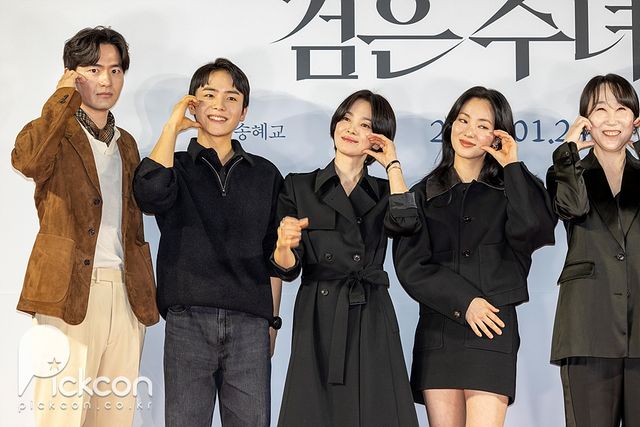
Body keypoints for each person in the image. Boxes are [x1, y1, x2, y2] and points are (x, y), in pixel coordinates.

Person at [11, 26, 159, 426]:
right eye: (94, 70)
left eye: (115, 70)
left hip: (126, 293)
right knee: (60, 416)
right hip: (68, 292)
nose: (106, 80)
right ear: (72, 74)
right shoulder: (54, 132)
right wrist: (62, 97)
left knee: (115, 416)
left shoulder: (126, 143)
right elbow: (28, 161)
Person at [132, 58, 283, 427]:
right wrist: (172, 127)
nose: (220, 105)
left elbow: (274, 256)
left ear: (244, 112)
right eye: (209, 95)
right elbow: (149, 195)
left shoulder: (265, 173)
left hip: (250, 323)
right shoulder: (174, 166)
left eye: (232, 98)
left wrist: (272, 321)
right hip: (188, 320)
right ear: (192, 103)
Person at [393, 86, 555, 427]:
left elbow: (534, 231)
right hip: (439, 331)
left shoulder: (514, 188)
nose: (469, 131)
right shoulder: (421, 195)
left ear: (498, 135)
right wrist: (465, 302)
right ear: (450, 124)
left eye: (483, 125)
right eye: (463, 120)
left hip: (492, 327)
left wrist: (512, 166)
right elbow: (411, 267)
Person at [272, 89, 419, 427]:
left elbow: (407, 224)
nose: (351, 128)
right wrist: (283, 245)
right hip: (318, 313)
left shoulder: (386, 191)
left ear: (379, 137)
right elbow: (288, 268)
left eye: (365, 124)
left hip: (371, 311)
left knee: (376, 411)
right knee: (316, 411)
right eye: (346, 118)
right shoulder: (299, 186)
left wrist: (392, 164)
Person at [546, 73, 640, 427]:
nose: (612, 119)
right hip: (587, 327)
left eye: (621, 109)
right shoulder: (567, 172)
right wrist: (567, 156)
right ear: (585, 119)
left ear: (635, 119)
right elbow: (572, 207)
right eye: (600, 109)